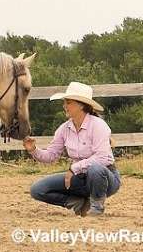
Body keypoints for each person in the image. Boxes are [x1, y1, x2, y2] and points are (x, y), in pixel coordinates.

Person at [23, 82, 121, 217]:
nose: (64, 106)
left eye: (68, 102)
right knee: (37, 189)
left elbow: (102, 158)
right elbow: (51, 155)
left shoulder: (98, 125)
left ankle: (97, 207)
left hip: (105, 179)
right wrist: (33, 149)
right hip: (79, 178)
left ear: (81, 105)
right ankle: (78, 204)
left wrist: (74, 168)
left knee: (95, 168)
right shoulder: (64, 129)